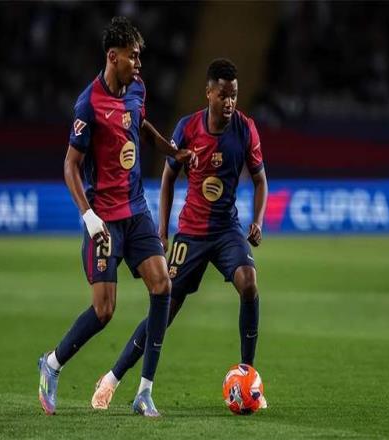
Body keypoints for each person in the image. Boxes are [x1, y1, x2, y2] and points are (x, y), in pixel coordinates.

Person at [37, 16, 195, 418]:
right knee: (104, 310)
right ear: (113, 56)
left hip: (136, 210)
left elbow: (140, 124)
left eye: (139, 57)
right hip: (104, 219)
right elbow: (70, 165)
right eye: (133, 56)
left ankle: (144, 391)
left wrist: (170, 149)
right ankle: (51, 363)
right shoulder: (88, 104)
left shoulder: (137, 89)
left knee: (163, 286)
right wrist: (88, 216)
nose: (138, 64)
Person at [91, 58, 268, 410]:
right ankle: (112, 378)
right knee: (164, 311)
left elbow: (261, 180)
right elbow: (169, 177)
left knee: (249, 283)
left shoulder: (246, 129)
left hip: (227, 230)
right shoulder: (188, 128)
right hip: (191, 233)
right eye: (223, 95)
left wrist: (258, 222)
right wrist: (162, 229)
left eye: (234, 95)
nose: (230, 102)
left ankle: (249, 376)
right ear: (209, 94)